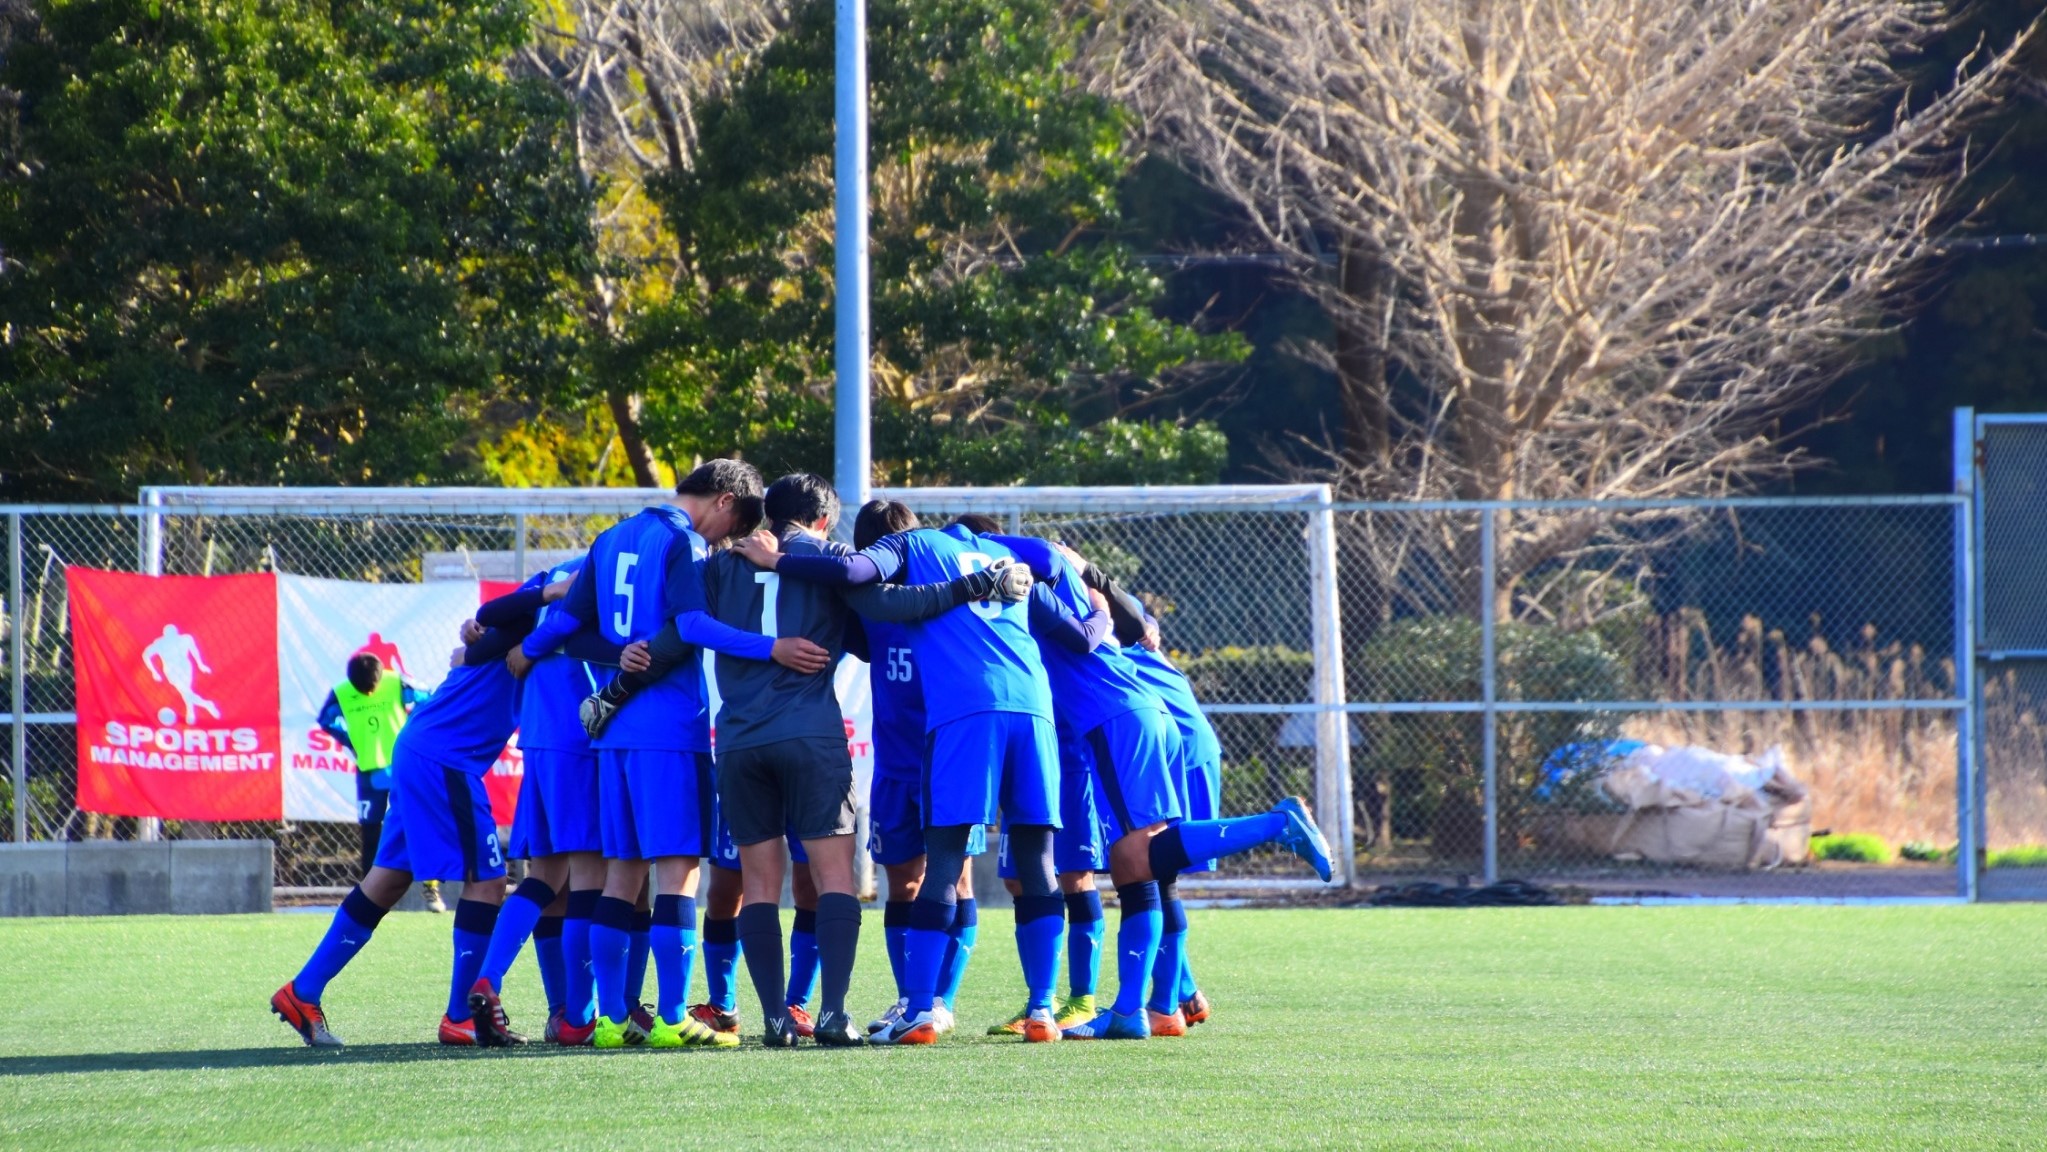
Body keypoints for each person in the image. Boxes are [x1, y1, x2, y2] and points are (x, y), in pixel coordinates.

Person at [598, 475, 1029, 1046]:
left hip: (739, 742)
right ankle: (830, 1013)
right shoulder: (827, 559)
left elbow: (679, 635)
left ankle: (775, 1017)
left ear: (765, 515)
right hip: (812, 739)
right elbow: (888, 609)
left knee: (758, 886)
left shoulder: (720, 566)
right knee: (832, 881)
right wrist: (971, 587)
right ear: (825, 520)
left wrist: (619, 685)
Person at [733, 513, 1087, 1044]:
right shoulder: (1006, 556)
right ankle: (1042, 1010)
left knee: (941, 862)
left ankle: (920, 1008)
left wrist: (777, 558)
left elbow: (854, 574)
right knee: (1039, 862)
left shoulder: (914, 545)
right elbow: (1074, 618)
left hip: (967, 713)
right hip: (1034, 711)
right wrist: (1096, 588)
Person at [509, 460, 822, 1051]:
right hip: (668, 729)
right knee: (679, 871)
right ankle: (675, 1017)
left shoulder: (611, 537)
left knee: (620, 876)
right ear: (725, 502)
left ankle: (606, 1020)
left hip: (613, 733)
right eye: (730, 530)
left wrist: (530, 648)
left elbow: (571, 629)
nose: (722, 543)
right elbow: (696, 625)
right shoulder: (681, 541)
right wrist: (770, 648)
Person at [270, 574, 610, 1048]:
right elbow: (499, 615)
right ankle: (460, 1016)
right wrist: (540, 600)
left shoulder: (537, 629)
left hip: (422, 749)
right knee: (489, 880)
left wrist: (481, 637)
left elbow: (495, 619)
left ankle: (302, 991)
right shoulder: (538, 620)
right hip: (444, 758)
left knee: (387, 879)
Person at [463, 555, 618, 1048]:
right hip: (580, 738)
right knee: (592, 878)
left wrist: (475, 639)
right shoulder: (608, 571)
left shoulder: (553, 576)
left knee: (546, 879)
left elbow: (493, 615)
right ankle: (579, 1016)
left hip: (540, 739)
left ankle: (491, 979)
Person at [852, 502, 985, 1040]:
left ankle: (940, 1001)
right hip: (895, 768)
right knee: (902, 885)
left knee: (953, 878)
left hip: (950, 762)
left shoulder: (956, 603)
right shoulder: (868, 608)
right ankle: (913, 1000)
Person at [316, 653, 426, 884]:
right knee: (370, 831)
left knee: (417, 820)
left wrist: (413, 732)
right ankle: (368, 888)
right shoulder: (341, 693)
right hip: (369, 772)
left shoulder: (397, 682)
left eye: (371, 689)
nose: (367, 694)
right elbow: (326, 720)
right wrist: (349, 741)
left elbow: (427, 700)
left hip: (401, 767)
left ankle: (429, 883)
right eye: (362, 692)